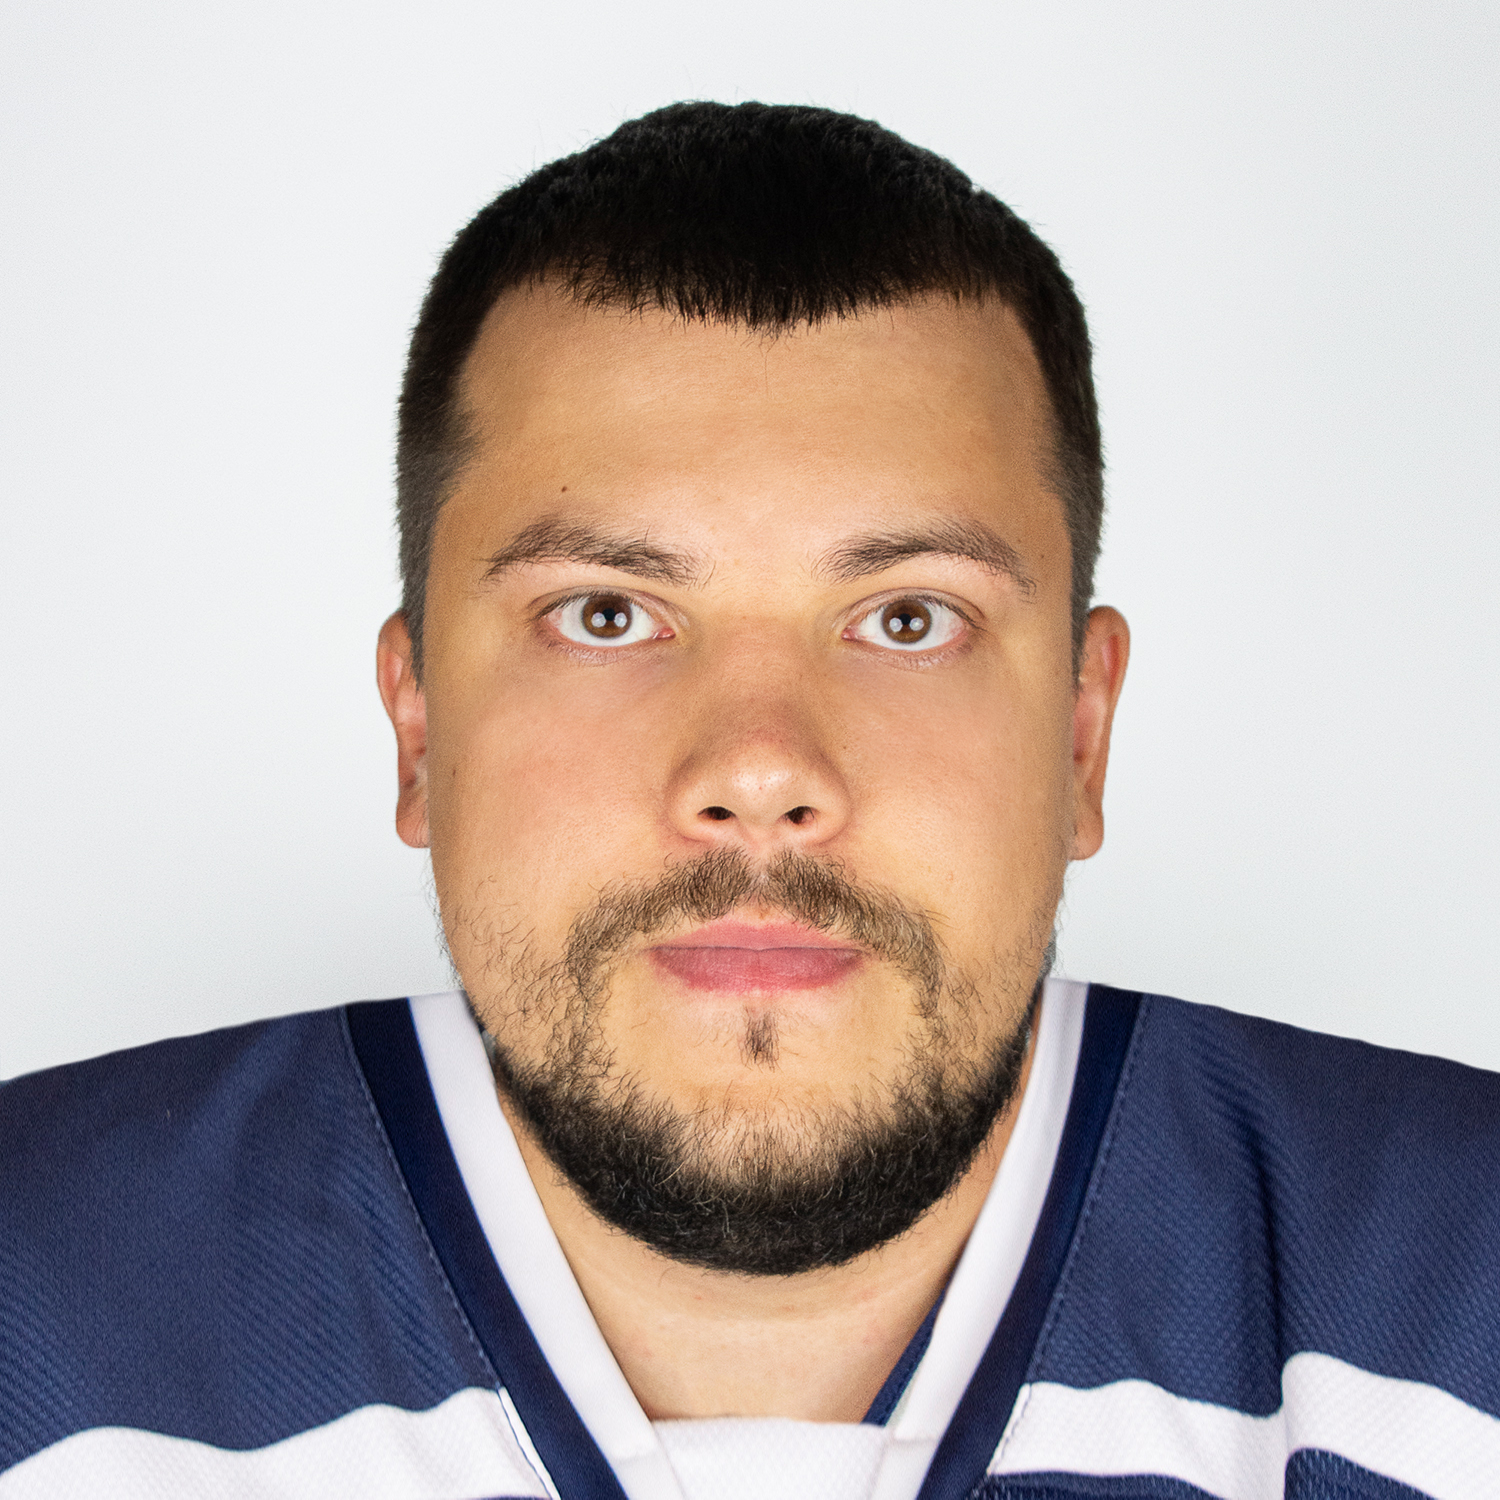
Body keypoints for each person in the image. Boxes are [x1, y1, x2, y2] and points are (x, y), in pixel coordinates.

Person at [1, 101, 1497, 1500]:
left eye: (908, 618)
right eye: (605, 614)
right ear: (419, 728)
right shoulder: (36, 1307)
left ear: (1080, 737)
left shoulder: (1461, 1291)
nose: (762, 771)